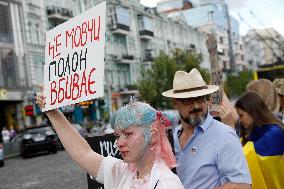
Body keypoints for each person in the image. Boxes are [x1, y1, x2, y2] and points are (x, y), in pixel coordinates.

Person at [35, 90, 184, 189]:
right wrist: (53, 112)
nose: (119, 142)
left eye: (128, 134)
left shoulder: (167, 184)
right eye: (118, 136)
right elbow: (83, 153)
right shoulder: (123, 173)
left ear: (152, 135)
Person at [162, 68, 251, 189]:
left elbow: (242, 186)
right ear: (175, 103)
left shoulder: (224, 135)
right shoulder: (171, 137)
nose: (196, 106)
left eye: (200, 98)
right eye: (188, 100)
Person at [235, 91, 284, 189]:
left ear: (252, 111)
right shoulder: (258, 130)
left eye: (241, 115)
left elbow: (246, 155)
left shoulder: (275, 133)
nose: (240, 120)